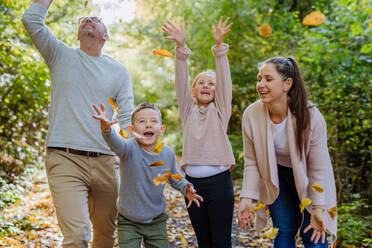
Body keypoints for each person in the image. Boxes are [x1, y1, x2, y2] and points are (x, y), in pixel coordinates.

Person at [22, 1, 134, 247]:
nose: (88, 20)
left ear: (105, 36)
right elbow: (31, 20)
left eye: (95, 19)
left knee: (106, 235)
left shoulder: (118, 71)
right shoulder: (60, 55)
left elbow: (127, 118)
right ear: (78, 34)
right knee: (77, 236)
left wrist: (140, 156)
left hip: (106, 160)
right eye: (85, 20)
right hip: (65, 158)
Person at [237, 56, 337, 247]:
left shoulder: (311, 116)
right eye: (259, 79)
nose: (261, 84)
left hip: (311, 178)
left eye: (268, 79)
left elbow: (318, 167)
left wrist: (317, 207)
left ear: (287, 84)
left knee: (313, 232)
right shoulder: (251, 115)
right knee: (283, 230)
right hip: (277, 176)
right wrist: (247, 197)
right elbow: (252, 162)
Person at [161, 17, 235, 248]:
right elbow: (181, 80)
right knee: (203, 240)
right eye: (201, 83)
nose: (206, 86)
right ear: (193, 90)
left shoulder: (221, 110)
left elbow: (224, 81)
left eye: (211, 83)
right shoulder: (187, 110)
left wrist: (220, 50)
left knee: (220, 240)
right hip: (192, 185)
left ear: (217, 90)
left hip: (220, 184)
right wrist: (181, 50)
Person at [92, 102, 203, 248]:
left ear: (162, 129)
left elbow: (174, 177)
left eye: (153, 121)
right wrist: (107, 130)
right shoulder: (128, 149)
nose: (148, 125)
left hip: (156, 220)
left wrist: (186, 187)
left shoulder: (167, 153)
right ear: (132, 130)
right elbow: (115, 142)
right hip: (128, 220)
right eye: (142, 121)